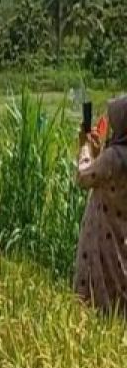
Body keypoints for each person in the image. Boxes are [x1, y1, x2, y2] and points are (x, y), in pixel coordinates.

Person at [74, 97, 127, 314]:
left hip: (103, 239)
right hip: (121, 236)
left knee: (99, 300)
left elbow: (83, 177)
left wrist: (85, 149)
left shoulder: (114, 157)